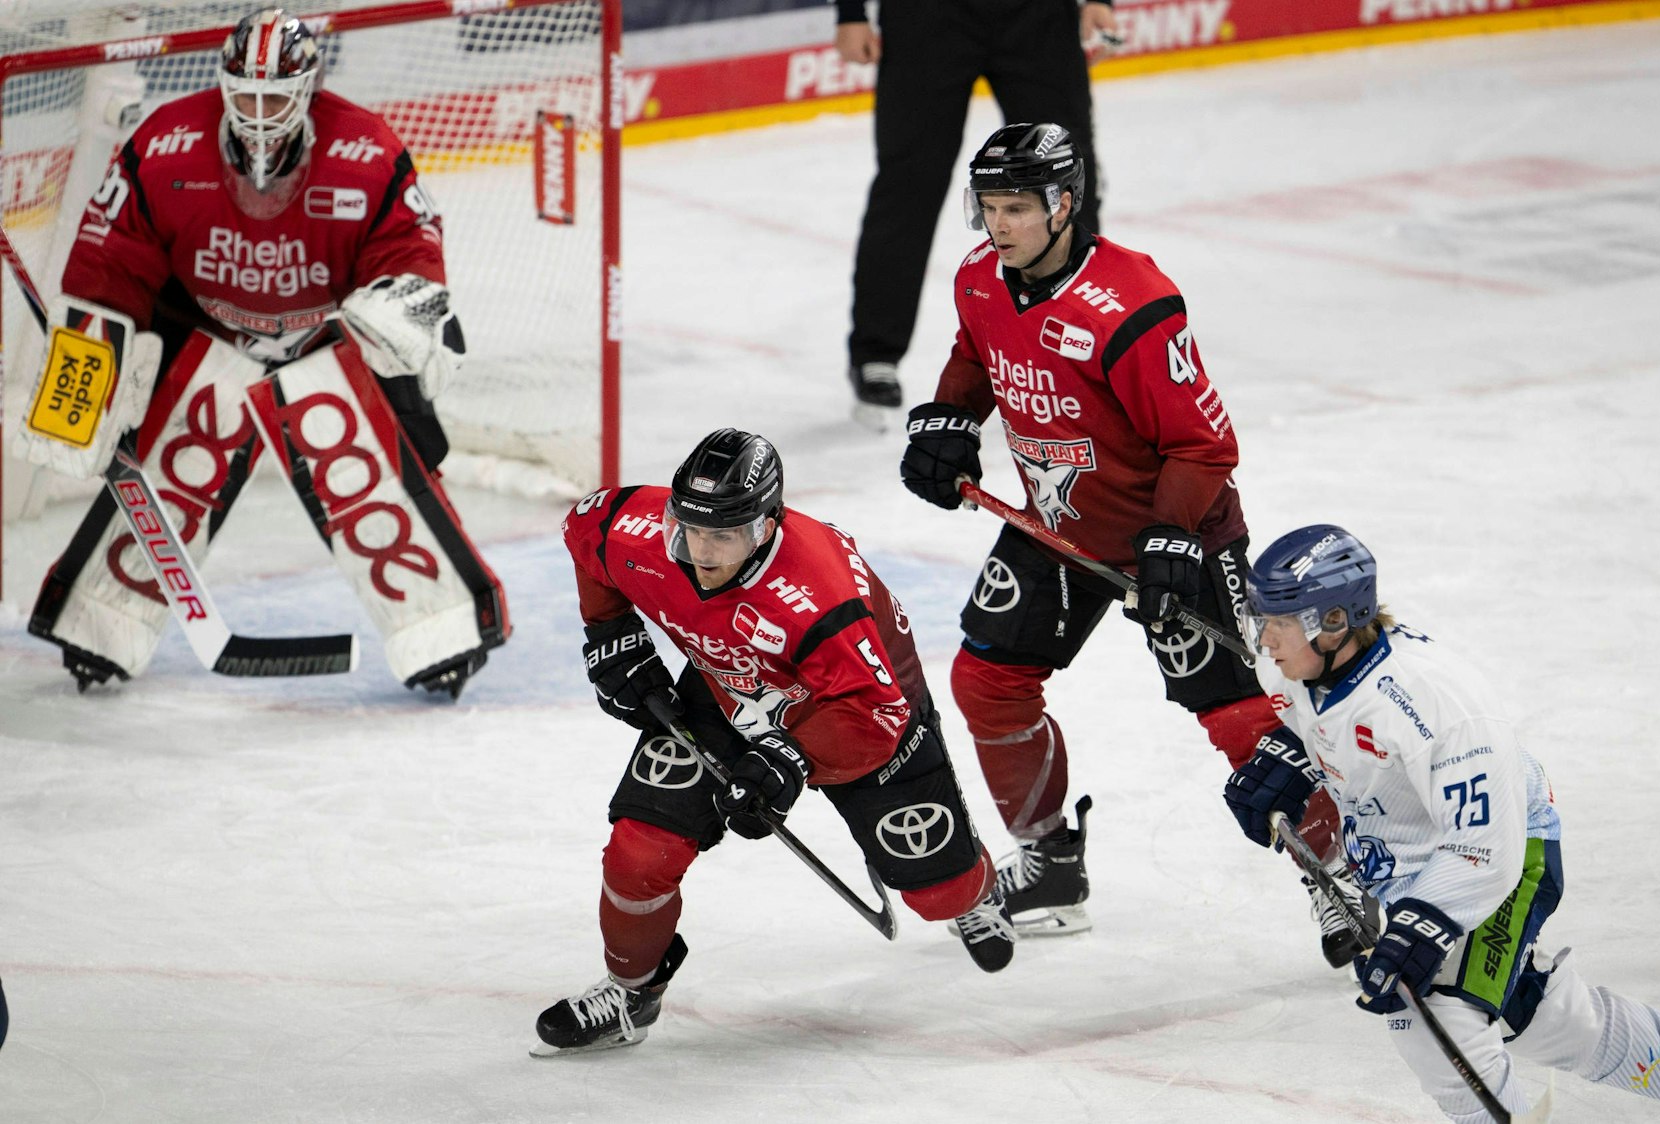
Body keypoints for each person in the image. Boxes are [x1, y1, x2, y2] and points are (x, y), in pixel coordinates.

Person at [898, 122, 1357, 965]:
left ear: (1062, 203)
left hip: (1172, 536)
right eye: (986, 207)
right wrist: (949, 419)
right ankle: (1051, 863)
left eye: (1014, 208)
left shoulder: (1133, 302)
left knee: (1236, 717)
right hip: (1057, 531)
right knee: (987, 682)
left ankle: (1340, 873)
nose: (996, 227)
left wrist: (1172, 536)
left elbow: (1202, 444)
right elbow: (979, 353)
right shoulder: (978, 279)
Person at [1226, 524, 1660, 1124]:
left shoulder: (1433, 701)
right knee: (1524, 1005)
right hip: (1417, 861)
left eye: (1280, 621)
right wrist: (1285, 764)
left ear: (1335, 622)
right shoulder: (1302, 670)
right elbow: (1321, 732)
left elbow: (1486, 847)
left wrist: (1424, 927)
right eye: (1261, 616)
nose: (1263, 637)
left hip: (1504, 854)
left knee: (1433, 1012)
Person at [16, 7, 506, 698]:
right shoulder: (164, 143)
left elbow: (411, 254)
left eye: (274, 97)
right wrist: (81, 381)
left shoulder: (366, 149)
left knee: (347, 449)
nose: (257, 113)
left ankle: (443, 631)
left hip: (324, 338)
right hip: (205, 330)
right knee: (187, 447)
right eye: (243, 96)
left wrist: (401, 313)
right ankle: (99, 626)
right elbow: (110, 260)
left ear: (308, 87)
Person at [537, 427, 1014, 1056]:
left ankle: (977, 889)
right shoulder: (640, 529)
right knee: (640, 851)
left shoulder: (818, 596)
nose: (700, 552)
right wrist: (610, 631)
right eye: (690, 529)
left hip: (858, 706)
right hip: (728, 685)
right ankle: (631, 992)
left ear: (764, 528)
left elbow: (875, 713)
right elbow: (586, 529)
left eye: (723, 535)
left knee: (938, 892)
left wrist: (786, 760)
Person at [836, 0, 1115, 427]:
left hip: (1036, 16)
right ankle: (877, 353)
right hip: (926, 17)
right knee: (910, 183)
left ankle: (1081, 341)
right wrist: (850, 12)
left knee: (1066, 179)